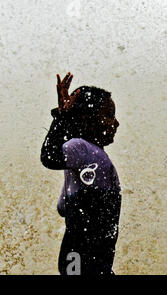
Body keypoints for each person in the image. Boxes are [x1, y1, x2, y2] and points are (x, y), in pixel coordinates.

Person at [41, 73, 121, 275]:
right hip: (81, 260)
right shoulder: (80, 148)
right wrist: (62, 116)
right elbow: (49, 156)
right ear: (88, 119)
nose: (116, 123)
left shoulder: (91, 154)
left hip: (86, 260)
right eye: (109, 115)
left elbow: (62, 207)